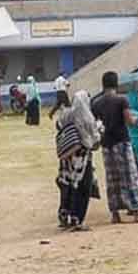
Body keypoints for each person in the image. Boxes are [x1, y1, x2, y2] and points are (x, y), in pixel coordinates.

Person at [91, 71, 138, 224]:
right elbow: (129, 121)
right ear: (116, 84)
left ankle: (115, 214)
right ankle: (137, 211)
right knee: (130, 176)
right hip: (122, 142)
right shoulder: (121, 100)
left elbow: (96, 125)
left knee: (112, 178)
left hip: (107, 144)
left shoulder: (96, 103)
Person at [56, 90, 100, 231]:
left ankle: (64, 215)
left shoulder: (66, 115)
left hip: (66, 160)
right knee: (83, 189)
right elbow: (94, 143)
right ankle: (77, 219)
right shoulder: (87, 118)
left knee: (67, 187)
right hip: (81, 159)